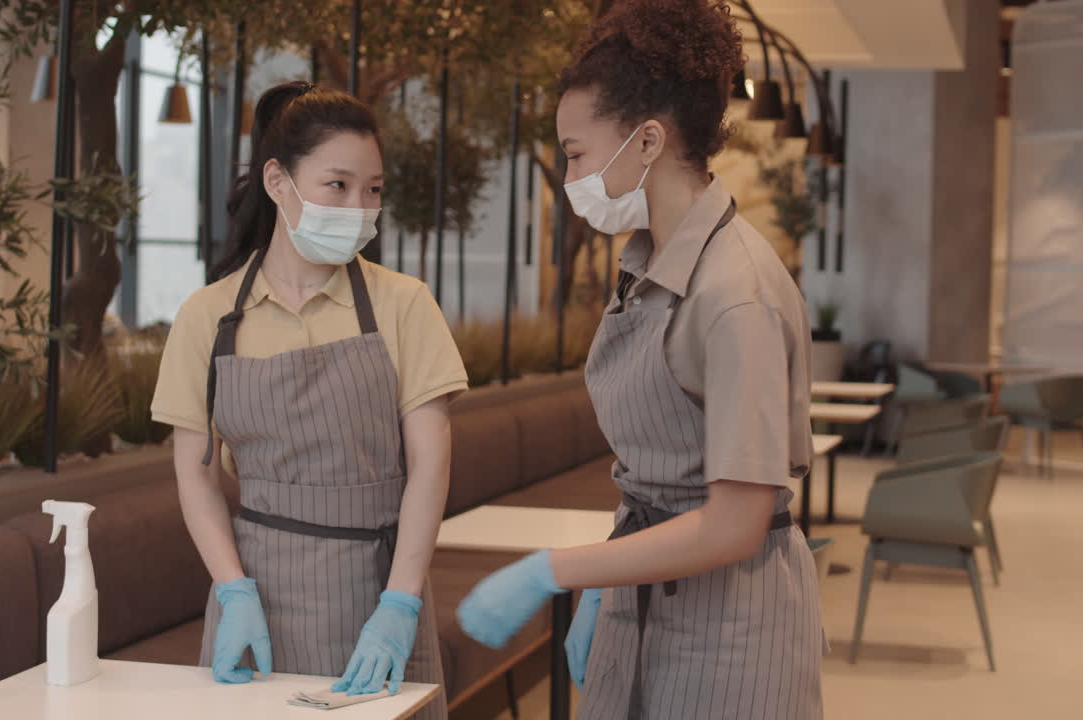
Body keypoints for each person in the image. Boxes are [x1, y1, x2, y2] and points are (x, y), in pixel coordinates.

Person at [457, 1, 824, 718]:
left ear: (648, 140)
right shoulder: (647, 265)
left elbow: (734, 523)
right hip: (644, 596)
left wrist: (553, 571)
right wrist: (605, 582)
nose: (570, 176)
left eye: (576, 153)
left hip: (730, 632)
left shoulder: (733, 293)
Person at [151, 81, 466, 718]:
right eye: (338, 185)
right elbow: (195, 470)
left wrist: (400, 603)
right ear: (278, 181)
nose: (358, 206)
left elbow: (431, 466)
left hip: (377, 592)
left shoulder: (404, 305)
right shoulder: (207, 317)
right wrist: (231, 587)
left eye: (372, 190)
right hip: (255, 597)